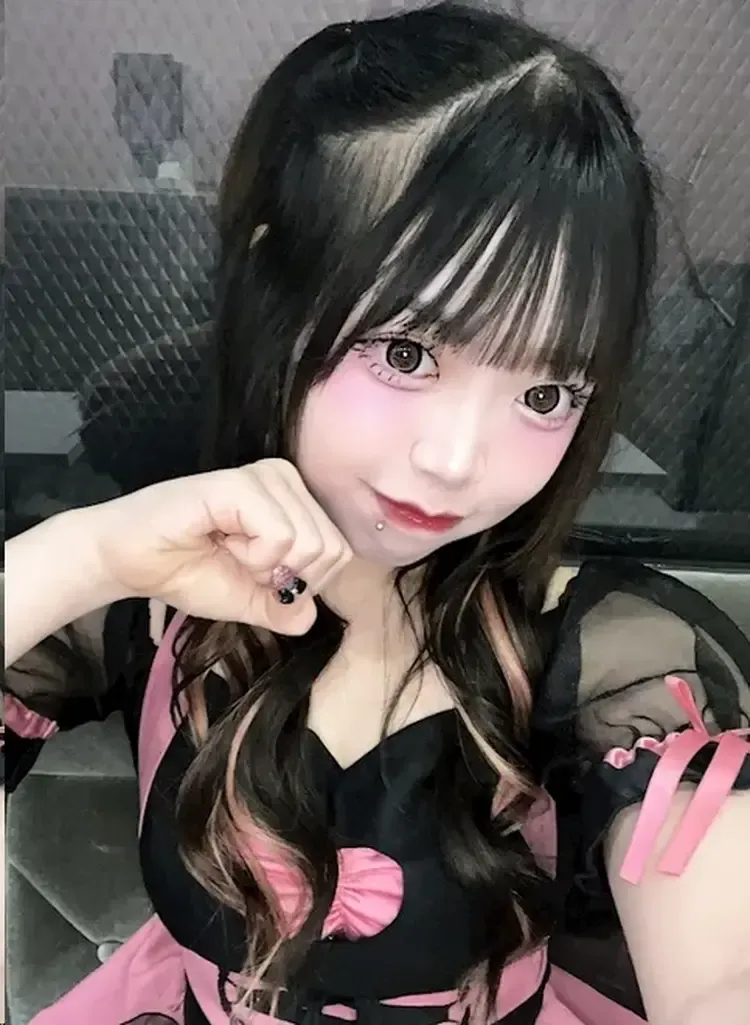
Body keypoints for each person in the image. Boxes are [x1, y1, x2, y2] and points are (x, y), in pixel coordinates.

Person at [3, 4, 750, 1025]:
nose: (456, 463)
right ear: (275, 293)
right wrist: (83, 553)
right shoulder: (147, 599)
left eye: (546, 393)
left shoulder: (609, 656)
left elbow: (722, 976)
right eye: (407, 352)